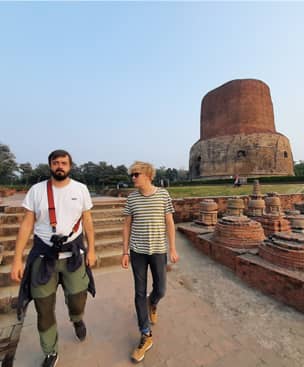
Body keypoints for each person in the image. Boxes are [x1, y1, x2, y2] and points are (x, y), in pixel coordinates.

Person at [10, 149, 96, 367]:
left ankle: (77, 319)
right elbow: (27, 224)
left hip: (74, 256)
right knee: (43, 308)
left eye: (64, 163)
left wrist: (92, 250)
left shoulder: (80, 189)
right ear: (50, 166)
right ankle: (50, 351)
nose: (60, 166)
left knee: (78, 299)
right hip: (43, 256)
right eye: (56, 162)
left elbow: (87, 222)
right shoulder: (37, 191)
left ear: (70, 165)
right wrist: (17, 259)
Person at [121, 161, 179, 363]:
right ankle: (145, 334)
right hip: (137, 252)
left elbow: (169, 222)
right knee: (138, 291)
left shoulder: (162, 195)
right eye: (132, 175)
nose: (133, 178)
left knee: (161, 289)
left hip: (158, 251)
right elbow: (127, 225)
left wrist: (172, 248)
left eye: (136, 174)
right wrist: (125, 251)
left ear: (147, 175)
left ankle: (152, 303)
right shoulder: (132, 199)